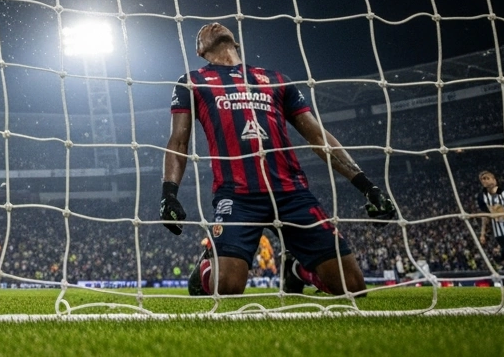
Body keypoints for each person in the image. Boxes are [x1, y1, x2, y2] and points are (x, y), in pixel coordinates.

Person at [158, 22, 396, 297]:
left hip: (291, 193)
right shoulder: (192, 81)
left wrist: (367, 186)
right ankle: (208, 263)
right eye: (202, 32)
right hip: (237, 195)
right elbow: (178, 141)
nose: (214, 25)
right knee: (228, 289)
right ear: (200, 50)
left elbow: (318, 135)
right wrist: (169, 194)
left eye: (219, 24)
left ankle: (296, 268)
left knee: (353, 289)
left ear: (236, 42)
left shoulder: (275, 79)